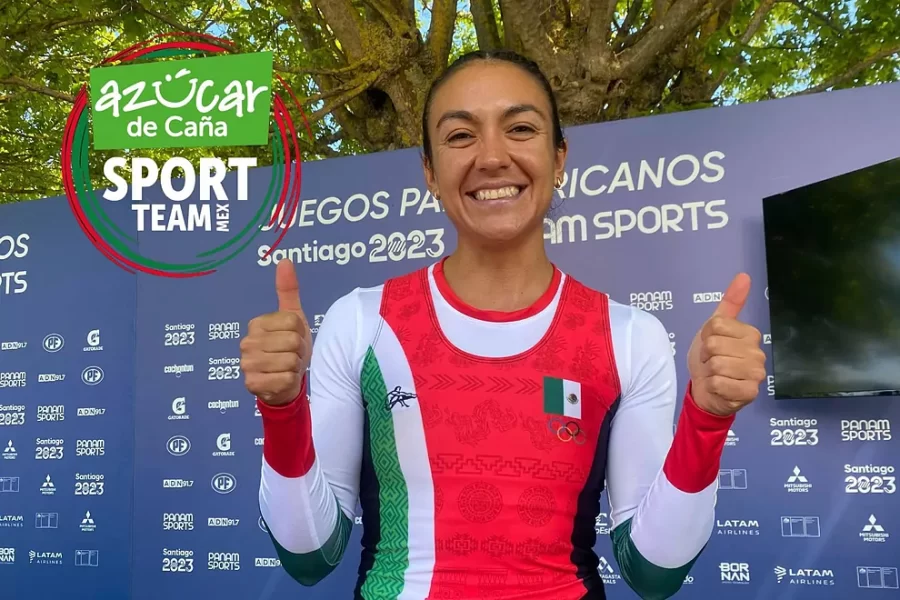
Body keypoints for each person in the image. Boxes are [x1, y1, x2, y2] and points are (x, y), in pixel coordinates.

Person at [241, 49, 767, 600]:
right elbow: (310, 556)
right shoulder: (361, 322)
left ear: (559, 158)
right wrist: (283, 410)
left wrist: (707, 419)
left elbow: (653, 573)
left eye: (520, 128)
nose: (492, 157)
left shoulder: (630, 337)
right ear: (429, 172)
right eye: (460, 136)